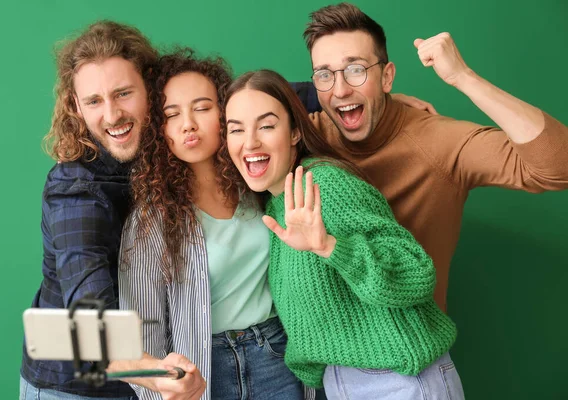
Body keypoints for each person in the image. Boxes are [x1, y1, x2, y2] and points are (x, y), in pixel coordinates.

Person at [295, 2, 568, 311]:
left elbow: (559, 166)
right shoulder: (307, 136)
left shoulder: (439, 142)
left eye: (356, 70)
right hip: (326, 354)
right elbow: (246, 104)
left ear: (387, 77)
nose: (340, 89)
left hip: (415, 350)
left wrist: (463, 77)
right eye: (324, 74)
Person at [224, 69, 465, 399]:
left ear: (295, 132)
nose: (250, 142)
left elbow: (416, 273)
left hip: (398, 379)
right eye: (236, 129)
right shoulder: (275, 206)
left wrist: (330, 246)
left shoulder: (325, 186)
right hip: (344, 382)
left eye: (266, 125)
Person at [20, 21, 205, 400]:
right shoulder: (77, 190)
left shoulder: (163, 158)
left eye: (123, 93)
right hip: (75, 389)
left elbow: (253, 101)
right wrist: (158, 375)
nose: (112, 114)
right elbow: (90, 325)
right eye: (94, 101)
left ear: (150, 89)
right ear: (75, 106)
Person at [118, 49, 309, 400]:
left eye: (202, 108)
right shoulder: (152, 219)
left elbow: (279, 97)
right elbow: (140, 334)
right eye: (171, 115)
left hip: (276, 354)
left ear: (227, 114)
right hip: (203, 369)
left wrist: (392, 103)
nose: (188, 123)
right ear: (159, 130)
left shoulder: (259, 184)